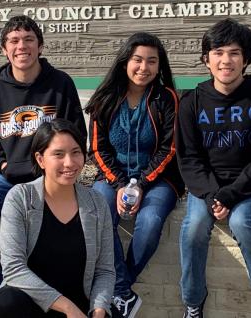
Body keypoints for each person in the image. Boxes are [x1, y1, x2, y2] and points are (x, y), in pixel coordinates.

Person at [177, 19, 251, 318]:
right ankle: (192, 303)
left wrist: (231, 195)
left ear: (246, 58)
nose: (226, 60)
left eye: (235, 53)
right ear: (206, 59)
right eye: (218, 52)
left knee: (242, 223)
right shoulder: (191, 101)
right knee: (194, 227)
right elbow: (189, 159)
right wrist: (215, 195)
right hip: (207, 189)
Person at [0, 16, 87, 297]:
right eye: (14, 41)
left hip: (52, 179)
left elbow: (77, 134)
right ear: (4, 49)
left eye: (28, 40)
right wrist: (1, 164)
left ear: (40, 46)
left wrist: (60, 168)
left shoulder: (60, 84)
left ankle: (59, 296)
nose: (21, 46)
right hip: (10, 179)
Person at [84, 32, 183, 318]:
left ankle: (118, 289)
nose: (144, 67)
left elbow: (169, 147)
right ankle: (124, 293)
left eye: (152, 61)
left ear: (159, 65)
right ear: (125, 61)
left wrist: (139, 183)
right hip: (112, 177)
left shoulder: (166, 98)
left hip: (158, 179)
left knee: (150, 222)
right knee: (99, 215)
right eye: (137, 60)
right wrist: (117, 183)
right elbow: (97, 148)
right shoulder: (105, 98)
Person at [0, 120, 114, 318]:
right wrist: (67, 308)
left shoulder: (97, 203)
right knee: (5, 303)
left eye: (76, 152)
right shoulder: (21, 197)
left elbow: (105, 270)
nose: (69, 163)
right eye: (58, 154)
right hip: (32, 305)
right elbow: (13, 268)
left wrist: (98, 311)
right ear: (40, 159)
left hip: (81, 305)